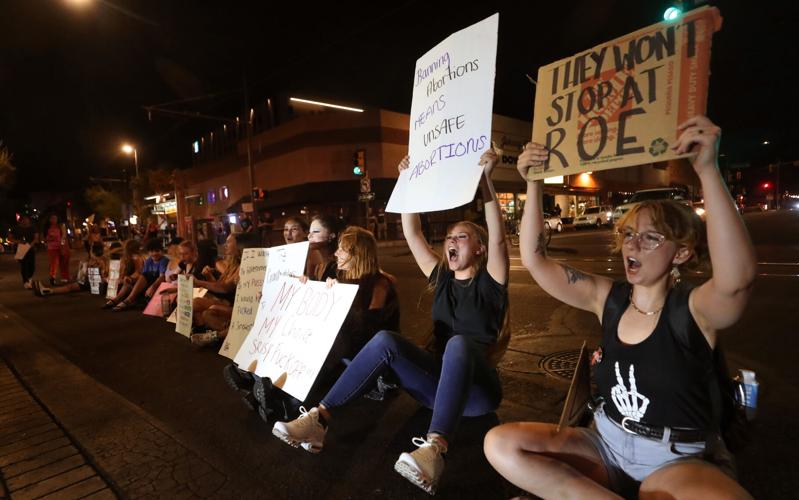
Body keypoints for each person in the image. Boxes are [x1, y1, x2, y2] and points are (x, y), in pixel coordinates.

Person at [483, 116, 755, 500]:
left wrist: (708, 171)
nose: (632, 246)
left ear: (681, 252)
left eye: (649, 238)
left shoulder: (693, 310)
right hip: (604, 445)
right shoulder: (606, 298)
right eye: (629, 234)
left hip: (675, 461)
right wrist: (534, 180)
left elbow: (737, 279)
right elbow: (535, 259)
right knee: (500, 444)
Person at [271, 149, 510, 495]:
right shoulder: (442, 277)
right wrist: (407, 181)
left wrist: (486, 178)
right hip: (438, 387)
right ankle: (319, 420)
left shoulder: (490, 283)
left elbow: (500, 237)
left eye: (462, 237)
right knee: (385, 340)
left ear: (480, 250)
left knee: (458, 343)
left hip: (477, 394)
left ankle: (434, 450)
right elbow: (412, 232)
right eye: (449, 237)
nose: (451, 242)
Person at [189, 232, 260, 346]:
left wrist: (200, 282)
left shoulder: (246, 263)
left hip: (242, 308)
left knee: (199, 304)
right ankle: (221, 335)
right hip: (238, 307)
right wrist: (208, 277)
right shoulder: (234, 263)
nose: (225, 245)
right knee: (207, 313)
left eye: (228, 242)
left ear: (240, 245)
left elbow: (225, 288)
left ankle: (218, 336)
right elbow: (222, 286)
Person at [111, 238, 169, 311]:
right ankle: (117, 299)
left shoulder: (163, 260)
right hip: (147, 283)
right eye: (151, 251)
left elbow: (162, 277)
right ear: (148, 252)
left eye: (157, 251)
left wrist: (152, 287)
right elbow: (141, 274)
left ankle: (129, 300)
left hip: (156, 284)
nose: (154, 253)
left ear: (162, 251)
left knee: (144, 275)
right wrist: (131, 279)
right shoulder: (148, 260)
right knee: (129, 282)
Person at [33, 242, 109, 297]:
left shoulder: (94, 261)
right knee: (71, 287)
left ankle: (49, 290)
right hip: (97, 285)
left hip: (94, 285)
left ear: (92, 251)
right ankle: (47, 290)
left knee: (70, 287)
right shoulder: (103, 259)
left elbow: (88, 275)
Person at [103, 239, 144, 308]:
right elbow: (123, 271)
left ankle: (117, 300)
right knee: (125, 283)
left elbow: (139, 272)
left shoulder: (136, 258)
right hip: (128, 280)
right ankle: (117, 300)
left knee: (126, 284)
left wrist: (129, 277)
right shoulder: (127, 258)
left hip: (135, 280)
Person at [304, 215, 339, 281]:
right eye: (309, 232)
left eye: (316, 231)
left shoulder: (339, 264)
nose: (309, 236)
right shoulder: (318, 266)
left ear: (331, 235)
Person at [10, 215, 39, 289]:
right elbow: (10, 238)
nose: (25, 221)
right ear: (21, 221)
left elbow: (36, 237)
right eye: (24, 219)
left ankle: (29, 277)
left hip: (30, 248)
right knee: (24, 264)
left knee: (32, 265)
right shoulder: (16, 228)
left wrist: (31, 244)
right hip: (20, 249)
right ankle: (25, 281)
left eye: (27, 219)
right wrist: (18, 241)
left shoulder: (32, 228)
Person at [44, 214, 70, 285]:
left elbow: (64, 235)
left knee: (64, 262)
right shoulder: (47, 227)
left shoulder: (61, 226)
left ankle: (65, 277)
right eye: (52, 218)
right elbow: (45, 238)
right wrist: (49, 238)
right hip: (52, 248)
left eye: (55, 218)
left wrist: (62, 244)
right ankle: (52, 277)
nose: (53, 220)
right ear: (49, 219)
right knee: (54, 263)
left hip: (61, 246)